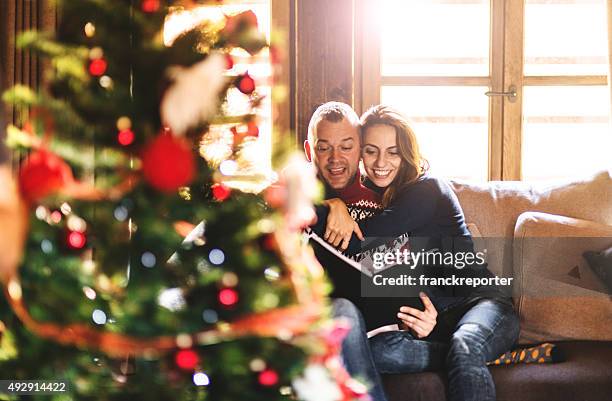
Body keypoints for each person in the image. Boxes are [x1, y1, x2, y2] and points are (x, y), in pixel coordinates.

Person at [313, 104, 519, 401]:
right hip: (437, 322)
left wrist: (330, 207)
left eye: (393, 152)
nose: (381, 162)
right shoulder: (375, 199)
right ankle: (476, 357)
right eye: (371, 151)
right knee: (376, 351)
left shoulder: (428, 190)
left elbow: (366, 241)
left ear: (406, 153)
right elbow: (373, 272)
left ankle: (471, 355)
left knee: (465, 345)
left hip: (483, 304)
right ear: (361, 154)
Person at [305, 101, 395, 401]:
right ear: (309, 151)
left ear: (360, 149)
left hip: (383, 330)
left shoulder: (386, 199)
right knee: (342, 311)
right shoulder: (297, 202)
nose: (335, 159)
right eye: (323, 148)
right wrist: (328, 205)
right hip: (323, 324)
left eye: (346, 146)